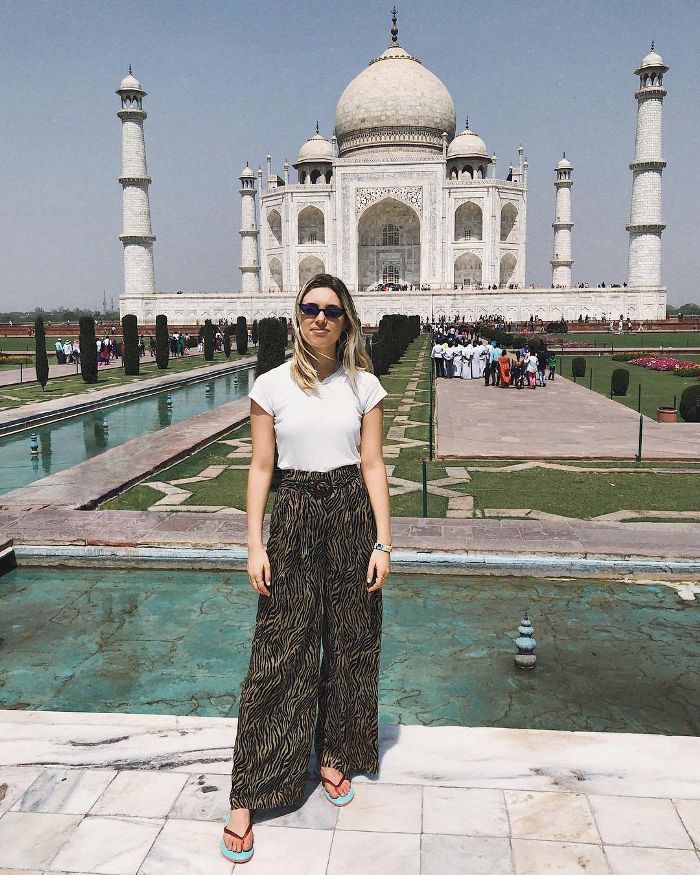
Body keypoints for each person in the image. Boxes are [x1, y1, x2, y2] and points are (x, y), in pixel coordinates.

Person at [223, 274, 391, 864]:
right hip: (293, 514)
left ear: (346, 320)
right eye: (309, 309)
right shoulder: (270, 386)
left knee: (350, 641)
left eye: (330, 310)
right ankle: (248, 791)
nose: (319, 318)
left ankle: (335, 753)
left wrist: (385, 544)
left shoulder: (364, 386)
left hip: (350, 513)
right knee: (278, 649)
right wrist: (254, 544)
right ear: (297, 317)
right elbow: (261, 469)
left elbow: (372, 466)